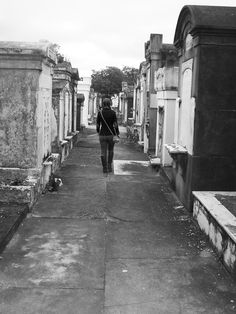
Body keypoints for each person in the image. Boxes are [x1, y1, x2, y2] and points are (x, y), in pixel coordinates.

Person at [96, 98, 120, 173]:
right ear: (110, 104)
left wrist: (98, 131)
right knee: (110, 150)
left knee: (103, 152)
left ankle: (104, 168)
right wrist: (117, 133)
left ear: (103, 104)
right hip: (111, 135)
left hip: (102, 135)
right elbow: (115, 125)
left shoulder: (100, 113)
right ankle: (109, 166)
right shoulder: (113, 113)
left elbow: (97, 124)